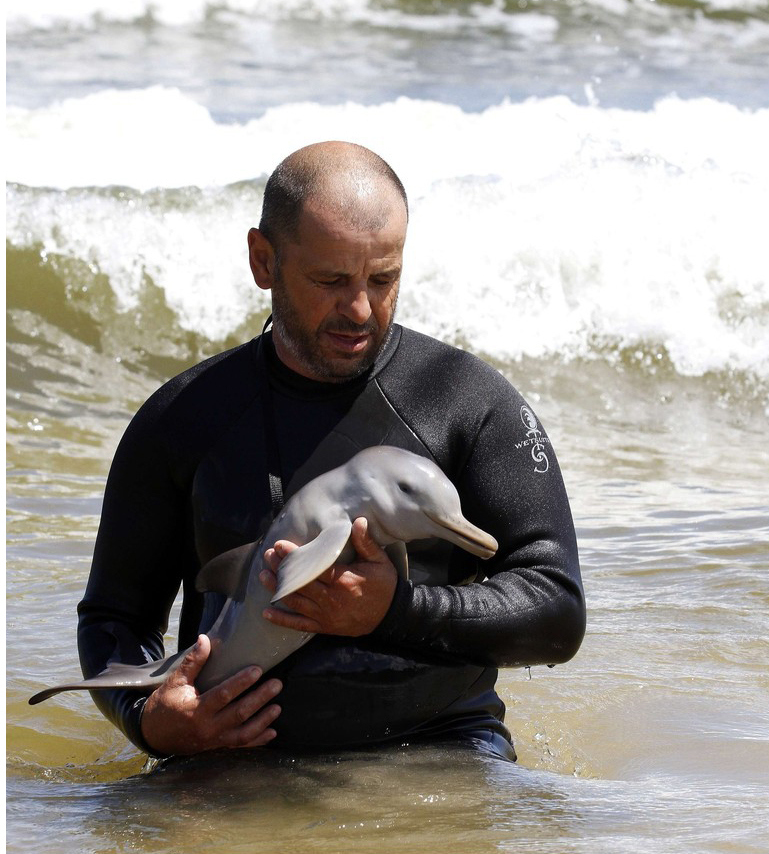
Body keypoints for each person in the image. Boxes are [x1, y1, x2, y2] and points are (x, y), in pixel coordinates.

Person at [77, 141, 585, 760]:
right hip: (229, 765)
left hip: (440, 752)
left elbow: (556, 613)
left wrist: (395, 610)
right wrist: (149, 723)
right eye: (331, 280)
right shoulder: (182, 419)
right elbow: (114, 619)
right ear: (263, 261)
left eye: (383, 278)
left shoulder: (467, 402)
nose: (360, 309)